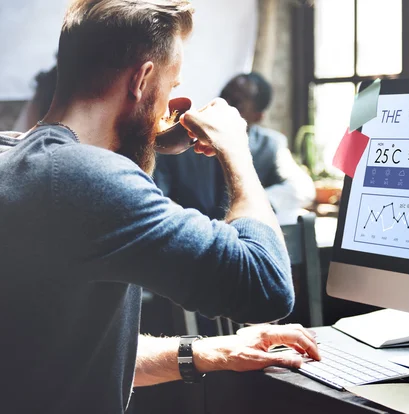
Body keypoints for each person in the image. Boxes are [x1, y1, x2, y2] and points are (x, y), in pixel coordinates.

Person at [0, 1, 319, 413]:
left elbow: (65, 354)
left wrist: (214, 351)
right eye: (171, 87)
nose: (168, 105)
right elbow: (267, 285)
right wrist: (237, 151)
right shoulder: (86, 178)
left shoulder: (16, 156)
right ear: (143, 79)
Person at [154, 72, 315, 223]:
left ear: (257, 116)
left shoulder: (270, 145)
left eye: (236, 102)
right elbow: (157, 196)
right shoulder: (181, 140)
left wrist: (251, 205)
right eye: (223, 96)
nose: (224, 105)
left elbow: (302, 188)